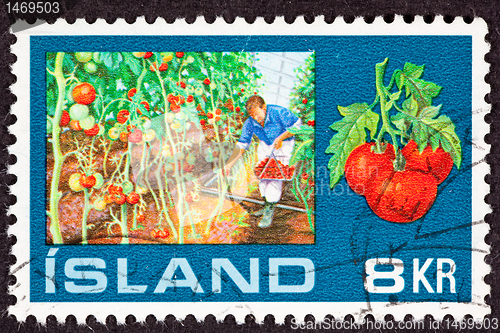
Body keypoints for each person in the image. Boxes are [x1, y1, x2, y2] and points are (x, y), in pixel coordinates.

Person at [224, 95, 301, 228]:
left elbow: (298, 125)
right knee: (263, 175)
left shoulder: (279, 112)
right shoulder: (250, 122)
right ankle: (267, 205)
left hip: (284, 144)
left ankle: (269, 211)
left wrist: (281, 137)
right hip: (265, 144)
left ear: (264, 108)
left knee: (274, 176)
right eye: (252, 116)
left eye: (257, 114)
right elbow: (242, 144)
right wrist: (229, 164)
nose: (255, 118)